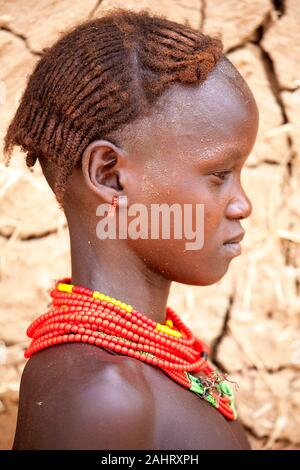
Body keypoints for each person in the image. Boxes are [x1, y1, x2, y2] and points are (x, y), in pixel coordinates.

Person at [3, 7, 258, 450]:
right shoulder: (101, 399)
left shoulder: (160, 360)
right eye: (219, 174)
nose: (243, 204)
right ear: (110, 175)